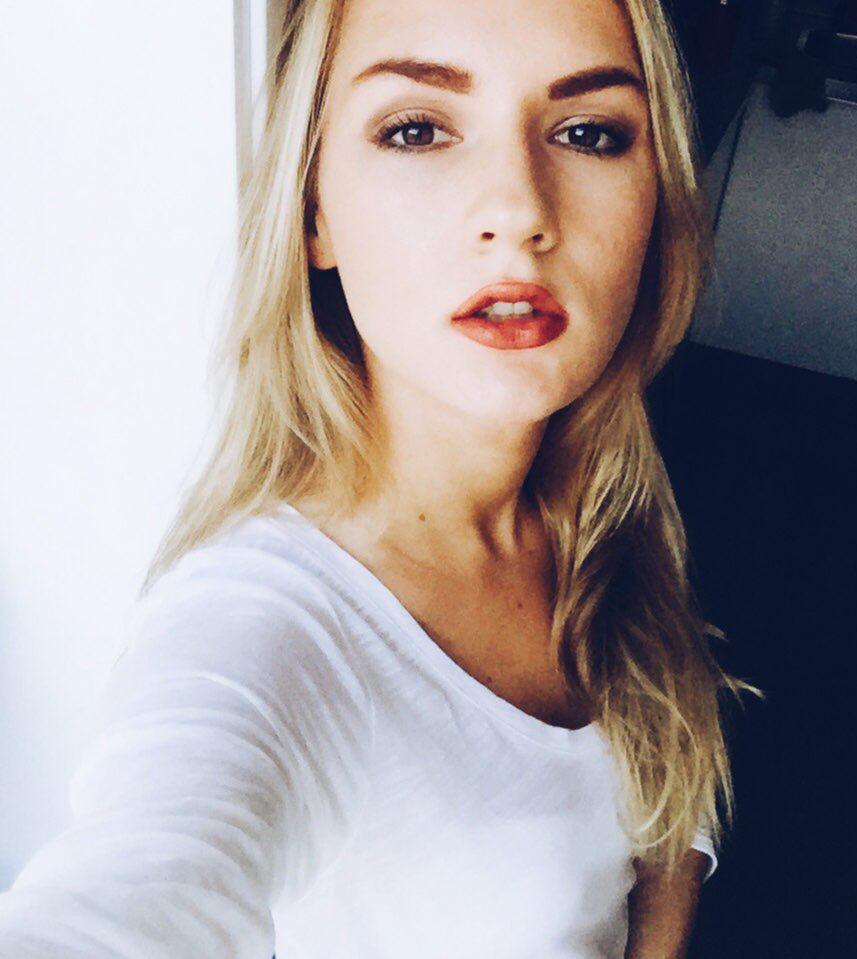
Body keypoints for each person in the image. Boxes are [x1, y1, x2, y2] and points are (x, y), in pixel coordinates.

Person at [0, 0, 763, 956]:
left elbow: (665, 824)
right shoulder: (259, 625)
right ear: (313, 210)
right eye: (417, 130)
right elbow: (137, 882)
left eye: (587, 133)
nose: (519, 212)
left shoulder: (612, 507)